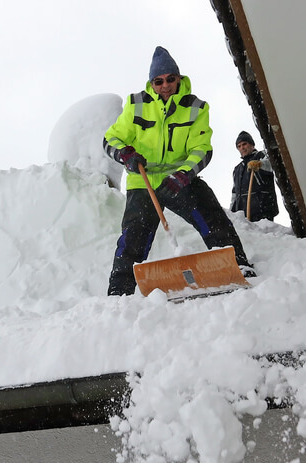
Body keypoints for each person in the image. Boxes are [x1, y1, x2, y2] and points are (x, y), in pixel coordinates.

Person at [102, 46, 255, 296]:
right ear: (152, 83)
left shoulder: (195, 107)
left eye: (170, 79)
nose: (165, 86)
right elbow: (111, 139)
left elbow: (202, 149)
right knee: (133, 234)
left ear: (179, 79)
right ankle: (120, 289)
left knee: (211, 214)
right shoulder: (136, 104)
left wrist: (184, 174)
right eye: (159, 81)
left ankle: (238, 264)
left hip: (179, 179)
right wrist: (125, 155)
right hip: (144, 180)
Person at [230, 131, 279, 222]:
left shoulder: (262, 155)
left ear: (252, 145)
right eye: (239, 146)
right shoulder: (237, 169)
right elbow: (234, 194)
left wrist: (260, 164)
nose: (242, 148)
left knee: (263, 234)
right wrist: (231, 213)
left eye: (244, 144)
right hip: (242, 214)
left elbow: (273, 165)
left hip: (262, 208)